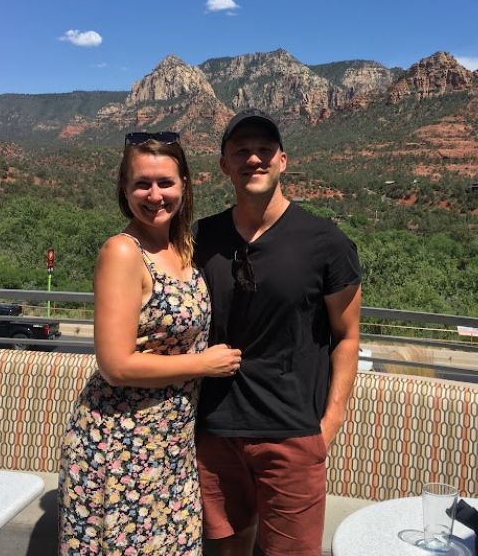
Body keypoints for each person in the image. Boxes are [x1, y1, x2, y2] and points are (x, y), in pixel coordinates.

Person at [58, 132, 242, 555]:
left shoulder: (183, 247)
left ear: (185, 185)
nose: (154, 195)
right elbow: (116, 365)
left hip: (171, 446)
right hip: (120, 446)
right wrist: (203, 365)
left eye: (166, 183)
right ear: (124, 189)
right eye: (142, 183)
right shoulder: (123, 252)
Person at [193, 110, 363, 555]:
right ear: (225, 165)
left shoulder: (326, 242)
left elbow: (347, 336)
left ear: (283, 160)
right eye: (241, 151)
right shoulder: (201, 238)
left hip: (292, 433)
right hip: (215, 431)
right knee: (226, 550)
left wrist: (329, 424)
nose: (254, 159)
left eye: (264, 150)